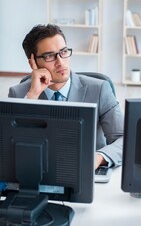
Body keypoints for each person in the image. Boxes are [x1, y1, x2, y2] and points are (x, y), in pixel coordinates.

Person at [8, 24, 124, 170]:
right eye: (49, 56)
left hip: (86, 173)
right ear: (33, 63)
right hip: (39, 173)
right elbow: (10, 148)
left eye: (63, 52)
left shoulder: (99, 89)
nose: (60, 62)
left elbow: (124, 139)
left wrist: (98, 158)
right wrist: (32, 97)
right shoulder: (18, 94)